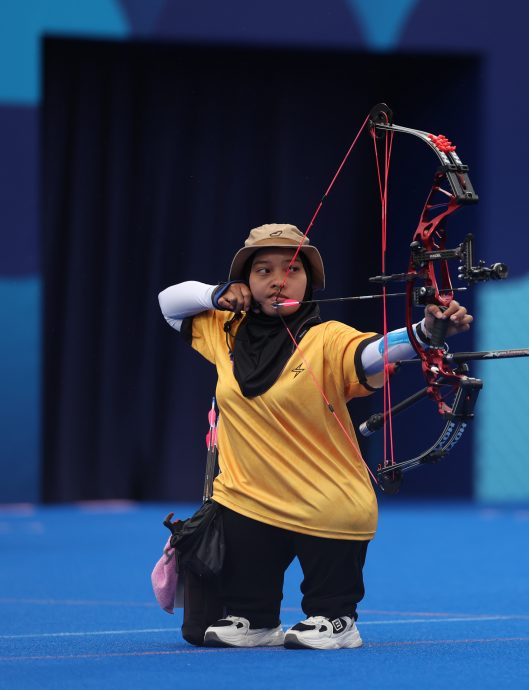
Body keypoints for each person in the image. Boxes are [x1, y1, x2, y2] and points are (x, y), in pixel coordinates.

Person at [157, 223, 472, 649]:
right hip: (250, 499)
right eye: (263, 271)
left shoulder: (328, 338)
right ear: (245, 283)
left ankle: (336, 619)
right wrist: (215, 294)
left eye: (291, 270)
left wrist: (425, 333)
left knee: (330, 545)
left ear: (310, 281)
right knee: (241, 559)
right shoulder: (223, 330)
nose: (278, 280)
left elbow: (373, 352)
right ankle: (256, 619)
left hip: (325, 498)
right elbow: (168, 303)